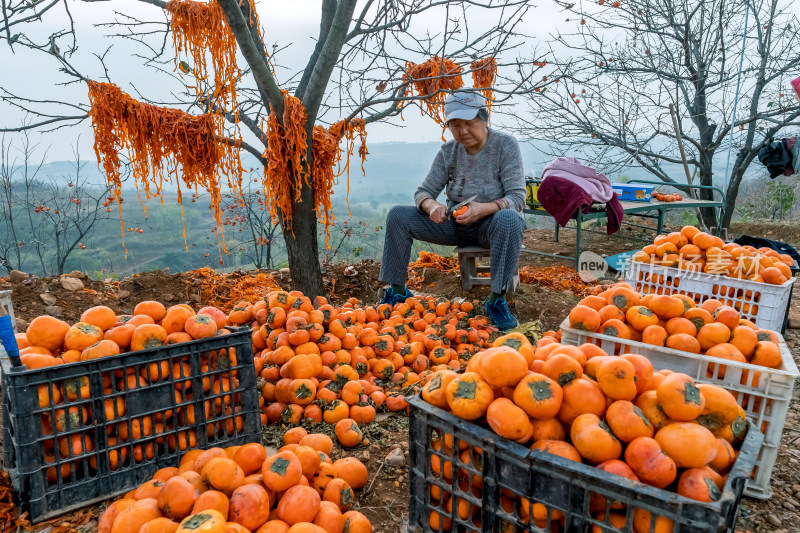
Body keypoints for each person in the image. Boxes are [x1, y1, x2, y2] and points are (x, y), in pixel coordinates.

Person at [378, 90, 526, 330]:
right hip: (453, 224)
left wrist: (483, 209)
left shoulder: (504, 145)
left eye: (469, 123)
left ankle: (496, 300)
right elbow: (422, 192)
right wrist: (432, 205)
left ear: (484, 119)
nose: (463, 131)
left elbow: (517, 197)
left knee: (510, 219)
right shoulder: (449, 152)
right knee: (398, 215)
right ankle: (397, 292)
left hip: (491, 226)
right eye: (455, 125)